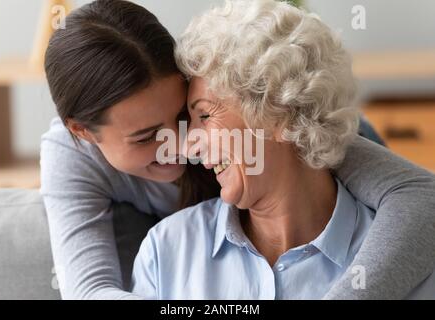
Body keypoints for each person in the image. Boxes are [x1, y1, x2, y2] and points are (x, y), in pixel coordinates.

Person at [42, 0, 435, 299]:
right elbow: (90, 291)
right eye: (146, 137)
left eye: (186, 114)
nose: (182, 143)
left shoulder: (302, 122)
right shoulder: (165, 248)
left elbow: (420, 197)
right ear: (84, 133)